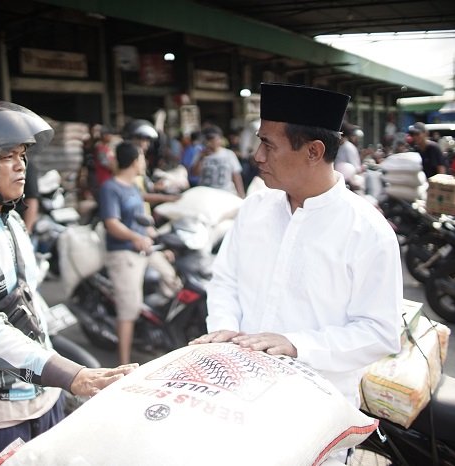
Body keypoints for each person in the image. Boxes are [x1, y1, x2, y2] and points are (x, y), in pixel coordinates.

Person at [189, 83, 402, 463]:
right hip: (239, 400)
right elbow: (225, 281)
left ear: (313, 151)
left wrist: (296, 344)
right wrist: (223, 329)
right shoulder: (254, 209)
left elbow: (379, 332)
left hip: (315, 417)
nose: (256, 156)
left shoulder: (367, 231)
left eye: (269, 145)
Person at [0, 101, 136, 466]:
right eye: (6, 156)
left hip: (43, 397)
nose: (21, 165)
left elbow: (30, 304)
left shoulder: (11, 223)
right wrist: (73, 374)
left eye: (22, 155)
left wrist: (71, 368)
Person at [98, 141, 181, 365]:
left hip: (145, 247)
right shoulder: (110, 187)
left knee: (173, 281)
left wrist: (157, 238)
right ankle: (124, 364)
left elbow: (140, 218)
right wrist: (136, 237)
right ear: (135, 161)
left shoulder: (134, 186)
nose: (144, 162)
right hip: (123, 253)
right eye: (143, 157)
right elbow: (112, 223)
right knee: (129, 308)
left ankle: (152, 329)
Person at [191, 125, 246, 197]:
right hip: (206, 195)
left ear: (220, 139)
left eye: (213, 139)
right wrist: (201, 158)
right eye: (208, 139)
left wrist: (241, 195)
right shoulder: (200, 154)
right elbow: (194, 173)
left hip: (226, 194)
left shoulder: (229, 154)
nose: (210, 142)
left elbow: (236, 176)